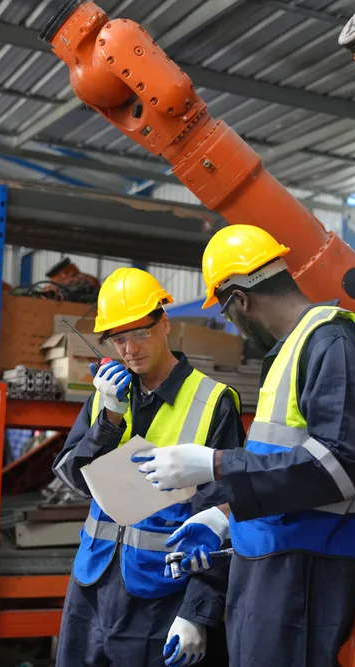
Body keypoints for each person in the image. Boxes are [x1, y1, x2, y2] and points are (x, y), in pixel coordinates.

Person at [132, 225, 355, 667]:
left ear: (241, 300)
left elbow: (342, 466)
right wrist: (224, 516)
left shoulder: (331, 341)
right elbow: (282, 466)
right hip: (276, 565)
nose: (233, 323)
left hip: (310, 572)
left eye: (227, 312)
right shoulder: (294, 351)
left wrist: (215, 464)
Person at [52, 267, 244, 667]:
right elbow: (73, 478)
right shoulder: (105, 398)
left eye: (140, 332)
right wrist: (108, 419)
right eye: (118, 338)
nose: (129, 349)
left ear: (165, 324)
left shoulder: (213, 402)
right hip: (91, 587)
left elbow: (225, 516)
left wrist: (198, 612)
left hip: (162, 596)